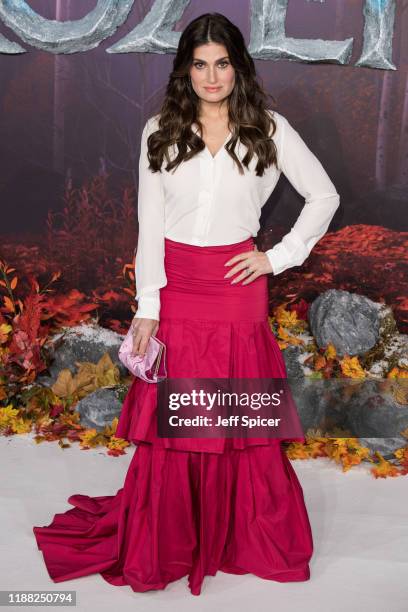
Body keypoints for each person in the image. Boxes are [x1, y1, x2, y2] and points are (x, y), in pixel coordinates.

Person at [33, 12, 340, 596]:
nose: (211, 75)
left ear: (238, 66)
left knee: (237, 415)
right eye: (200, 64)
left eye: (222, 63)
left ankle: (240, 536)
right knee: (180, 419)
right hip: (178, 287)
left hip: (237, 287)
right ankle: (174, 535)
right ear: (185, 70)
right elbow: (150, 226)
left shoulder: (268, 128)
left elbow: (324, 195)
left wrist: (277, 257)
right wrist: (148, 304)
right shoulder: (159, 131)